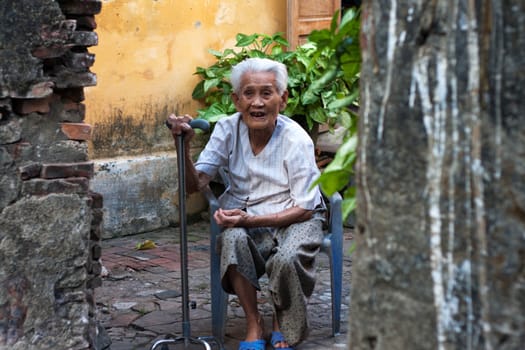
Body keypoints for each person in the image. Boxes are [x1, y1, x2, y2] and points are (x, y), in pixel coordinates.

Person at [167, 58, 326, 350]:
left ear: (283, 98)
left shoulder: (296, 139)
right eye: (249, 94)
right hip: (247, 214)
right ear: (236, 100)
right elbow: (194, 186)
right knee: (233, 239)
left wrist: (248, 220)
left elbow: (304, 207)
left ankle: (282, 322)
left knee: (286, 258)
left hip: (297, 217)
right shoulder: (227, 129)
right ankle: (254, 323)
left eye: (267, 93)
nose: (257, 103)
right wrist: (186, 144)